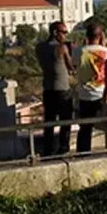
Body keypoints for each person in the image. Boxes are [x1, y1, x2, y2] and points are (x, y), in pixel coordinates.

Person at [36, 21, 75, 156]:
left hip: (47, 88)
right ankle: (63, 148)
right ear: (55, 33)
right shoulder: (61, 48)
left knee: (49, 121)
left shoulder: (39, 47)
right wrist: (70, 50)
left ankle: (48, 149)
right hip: (62, 89)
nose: (65, 35)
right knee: (66, 121)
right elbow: (71, 67)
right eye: (63, 32)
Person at [75, 22, 107, 154]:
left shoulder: (79, 51)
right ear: (102, 36)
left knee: (84, 128)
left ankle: (83, 153)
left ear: (87, 35)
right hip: (103, 94)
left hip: (84, 95)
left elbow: (73, 64)